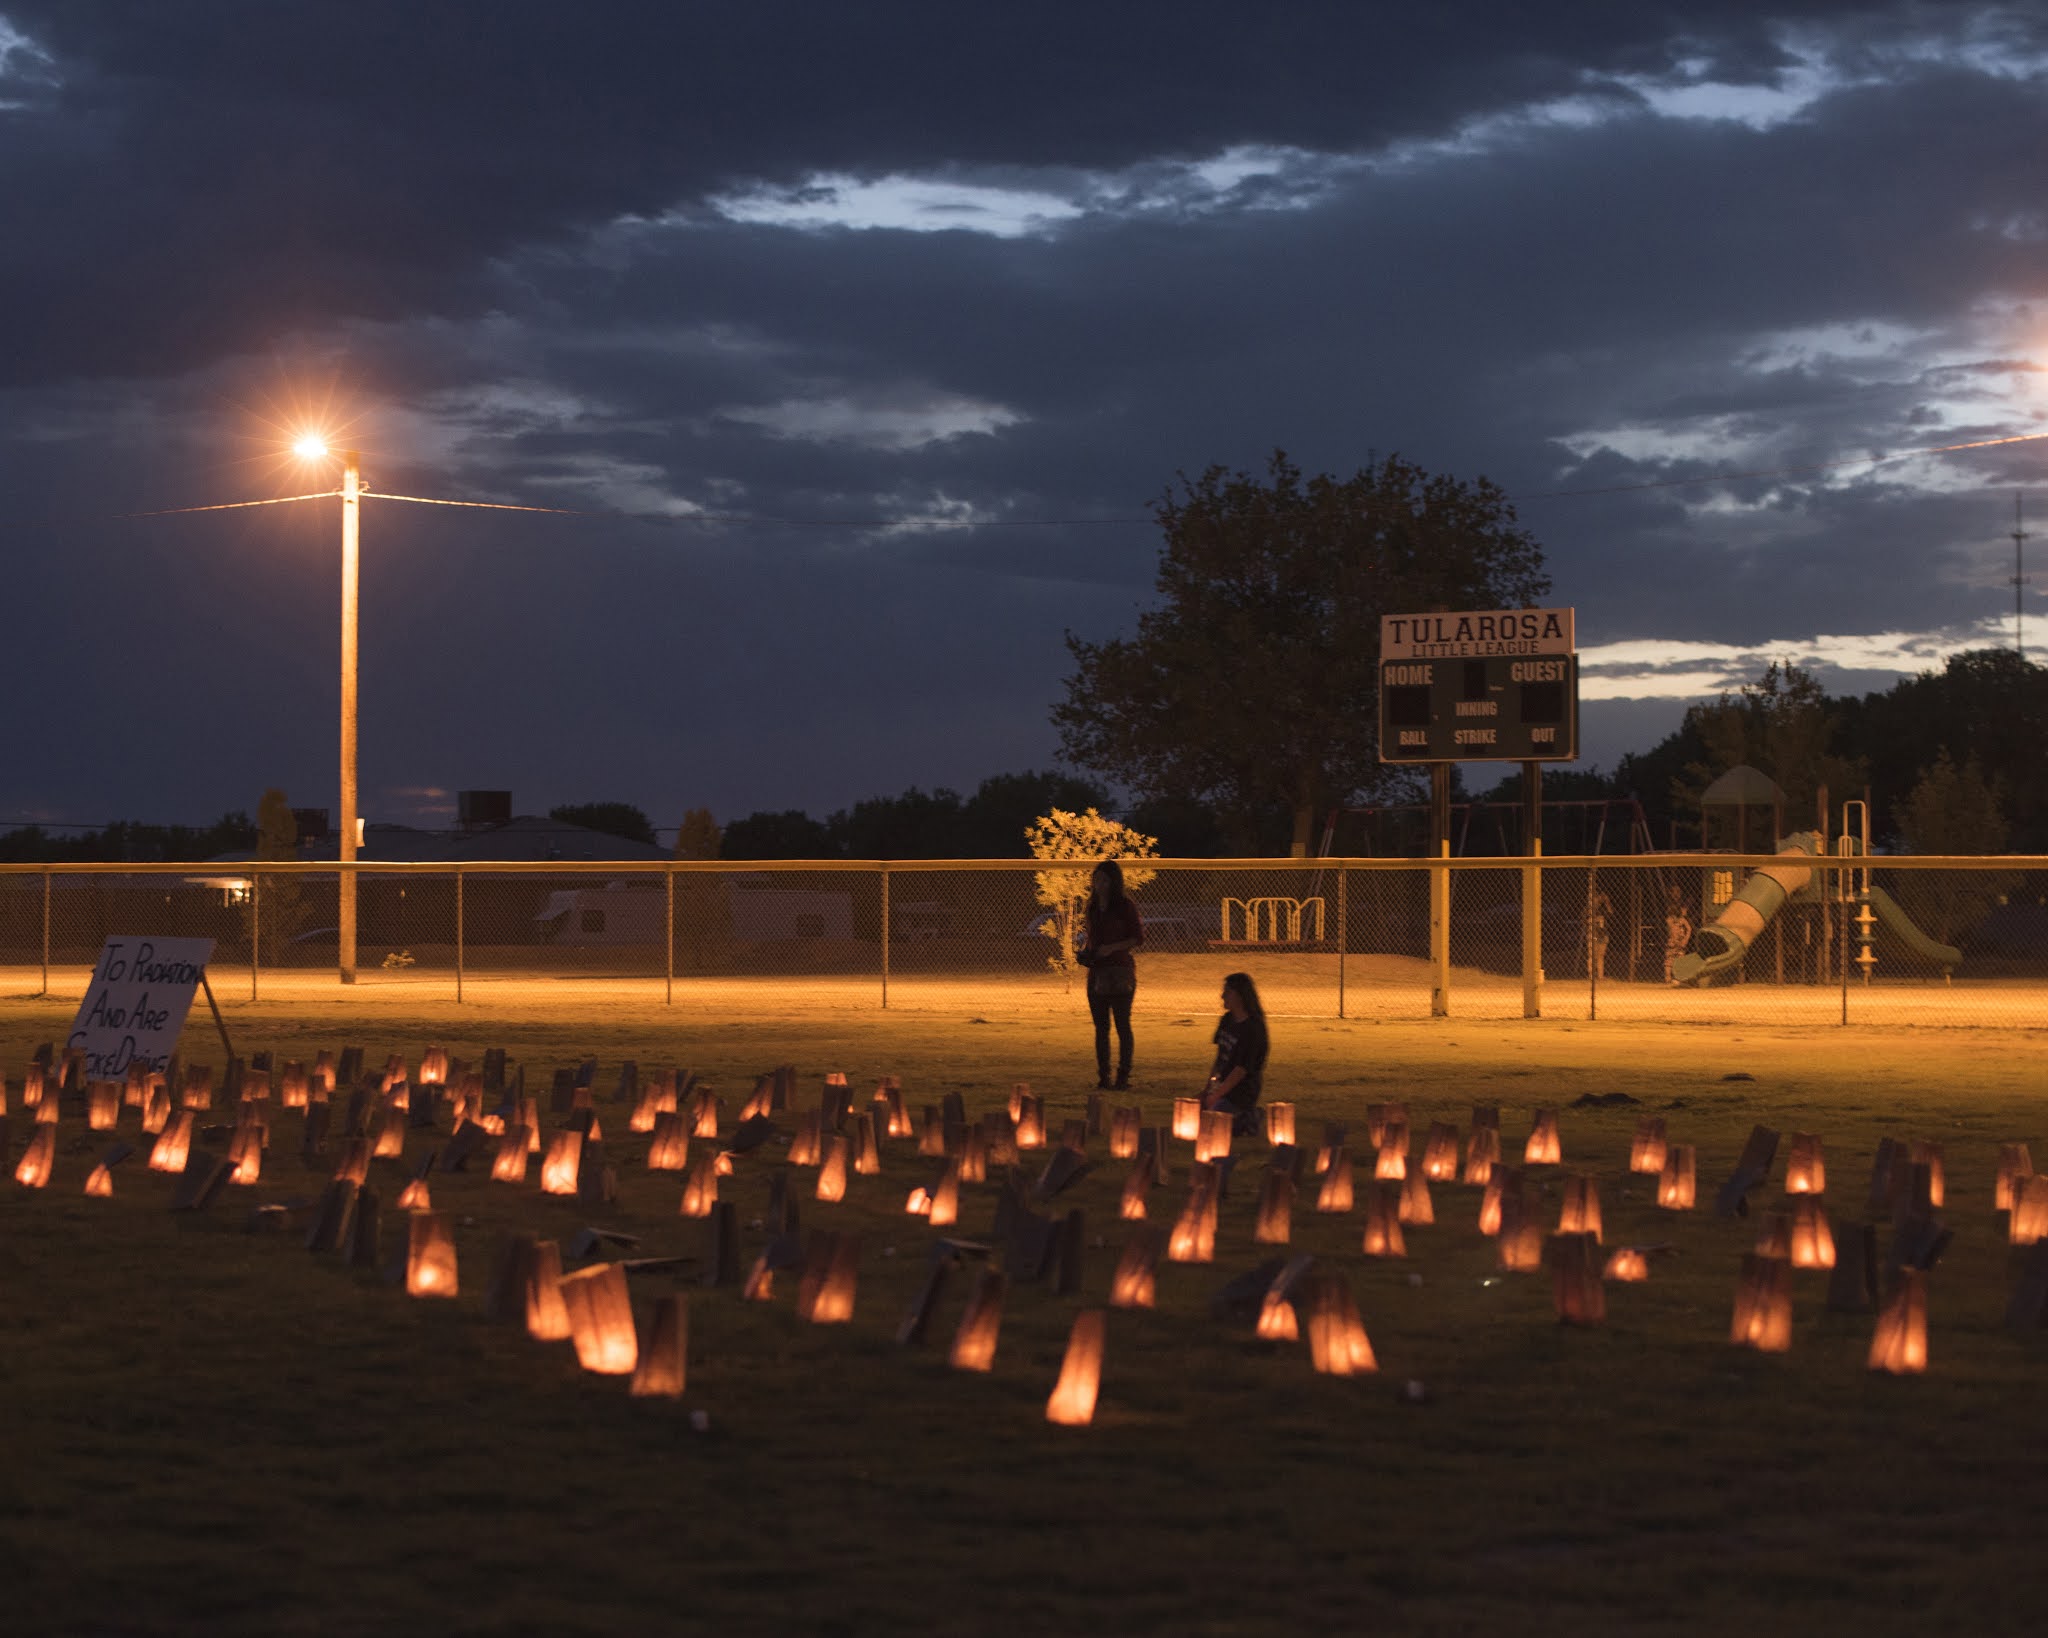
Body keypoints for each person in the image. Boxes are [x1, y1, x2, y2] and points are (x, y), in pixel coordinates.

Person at [1078, 860, 1143, 1090]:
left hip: (1119, 971)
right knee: (1101, 1027)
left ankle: (1123, 1076)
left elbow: (1137, 938)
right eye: (1096, 880)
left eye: (1104, 880)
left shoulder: (1125, 906)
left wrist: (1112, 948)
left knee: (1122, 1025)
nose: (1100, 885)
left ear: (1114, 882)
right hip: (1097, 973)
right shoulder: (1093, 907)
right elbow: (1092, 939)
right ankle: (1103, 1076)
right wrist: (1086, 953)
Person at [1200, 971, 1269, 1136]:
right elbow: (1219, 1059)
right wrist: (1207, 1091)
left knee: (1214, 1125)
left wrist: (1216, 1096)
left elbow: (1240, 1070)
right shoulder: (1227, 1020)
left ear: (1239, 996)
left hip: (1240, 1091)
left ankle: (1249, 1118)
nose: (1222, 996)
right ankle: (1234, 1115)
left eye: (1227, 991)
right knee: (1193, 1113)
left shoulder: (1253, 1029)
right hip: (1222, 1087)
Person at [1663, 886, 1695, 985]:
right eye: (1674, 892)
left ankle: (1677, 977)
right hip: (1673, 942)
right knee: (1669, 959)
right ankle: (1668, 977)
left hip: (1680, 941)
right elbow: (1671, 929)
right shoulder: (1671, 919)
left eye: (1678, 892)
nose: (1676, 894)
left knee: (1679, 958)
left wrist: (1685, 939)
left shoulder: (1681, 919)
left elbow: (1689, 928)